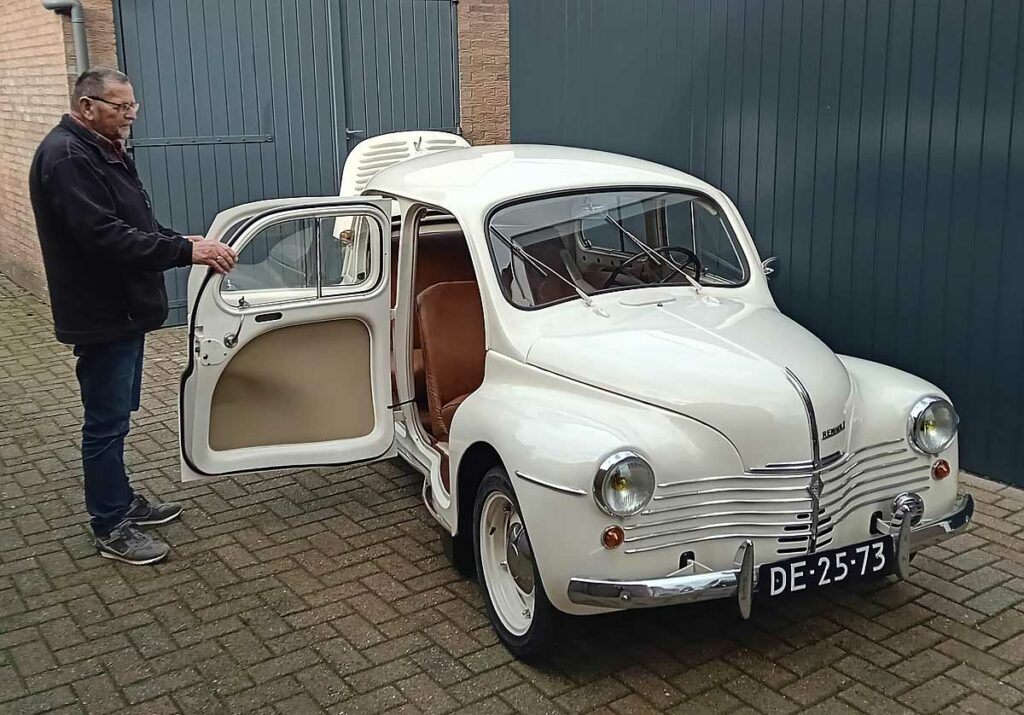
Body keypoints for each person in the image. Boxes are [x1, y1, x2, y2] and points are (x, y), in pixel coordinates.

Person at [28, 68, 237, 565]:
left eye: (133, 106)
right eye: (121, 108)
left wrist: (182, 240)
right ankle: (109, 524)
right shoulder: (67, 158)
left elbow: (135, 222)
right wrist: (185, 253)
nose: (131, 116)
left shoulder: (102, 149)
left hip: (123, 310)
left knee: (117, 418)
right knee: (104, 423)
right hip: (102, 313)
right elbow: (105, 237)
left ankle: (122, 501)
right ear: (87, 107)